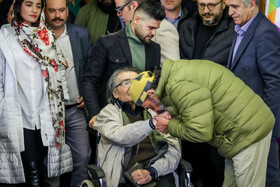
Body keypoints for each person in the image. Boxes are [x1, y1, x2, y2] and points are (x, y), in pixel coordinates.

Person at [129, 59, 274, 187]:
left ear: (151, 94)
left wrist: (169, 126)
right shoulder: (175, 74)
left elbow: (200, 132)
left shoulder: (177, 86)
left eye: (149, 106)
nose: (154, 110)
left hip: (247, 130)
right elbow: (198, 111)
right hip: (236, 132)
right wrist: (175, 118)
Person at [0, 0, 73, 186]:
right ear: (18, 6)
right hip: (20, 111)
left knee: (44, 166)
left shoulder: (46, 35)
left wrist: (62, 103)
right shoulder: (5, 35)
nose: (34, 10)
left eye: (38, 6)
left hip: (47, 111)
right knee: (32, 168)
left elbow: (59, 70)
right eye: (29, 4)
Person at [82, 0, 164, 129]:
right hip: (112, 119)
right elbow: (89, 81)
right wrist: (95, 114)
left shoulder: (154, 48)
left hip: (143, 120)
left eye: (156, 29)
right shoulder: (107, 43)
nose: (154, 33)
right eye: (151, 28)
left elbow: (155, 84)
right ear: (137, 19)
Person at [94, 67, 181, 187]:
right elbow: (120, 136)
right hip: (125, 174)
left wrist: (153, 171)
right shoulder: (106, 114)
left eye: (136, 82)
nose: (133, 87)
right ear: (115, 93)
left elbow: (174, 150)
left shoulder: (156, 109)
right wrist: (152, 124)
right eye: (126, 83)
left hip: (157, 170)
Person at [225, 0, 280, 186]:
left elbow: (274, 83)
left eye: (235, 6)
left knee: (266, 180)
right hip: (239, 127)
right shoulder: (242, 28)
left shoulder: (265, 32)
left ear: (251, 4)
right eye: (228, 6)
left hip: (259, 129)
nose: (230, 12)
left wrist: (265, 125)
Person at [45, 0, 92, 186]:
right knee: (52, 164)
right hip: (48, 113)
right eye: (52, 11)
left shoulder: (81, 34)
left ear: (67, 11)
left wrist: (86, 97)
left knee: (82, 156)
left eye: (61, 10)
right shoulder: (36, 37)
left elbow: (90, 70)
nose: (57, 15)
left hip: (75, 109)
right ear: (45, 12)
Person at [115, 0, 179, 66]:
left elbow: (172, 68)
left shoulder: (164, 28)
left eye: (121, 8)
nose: (118, 14)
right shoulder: (125, 32)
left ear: (134, 5)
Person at [179, 0, 235, 66]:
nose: (206, 11)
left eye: (211, 5)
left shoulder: (234, 31)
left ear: (223, 4)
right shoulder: (186, 27)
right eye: (202, 5)